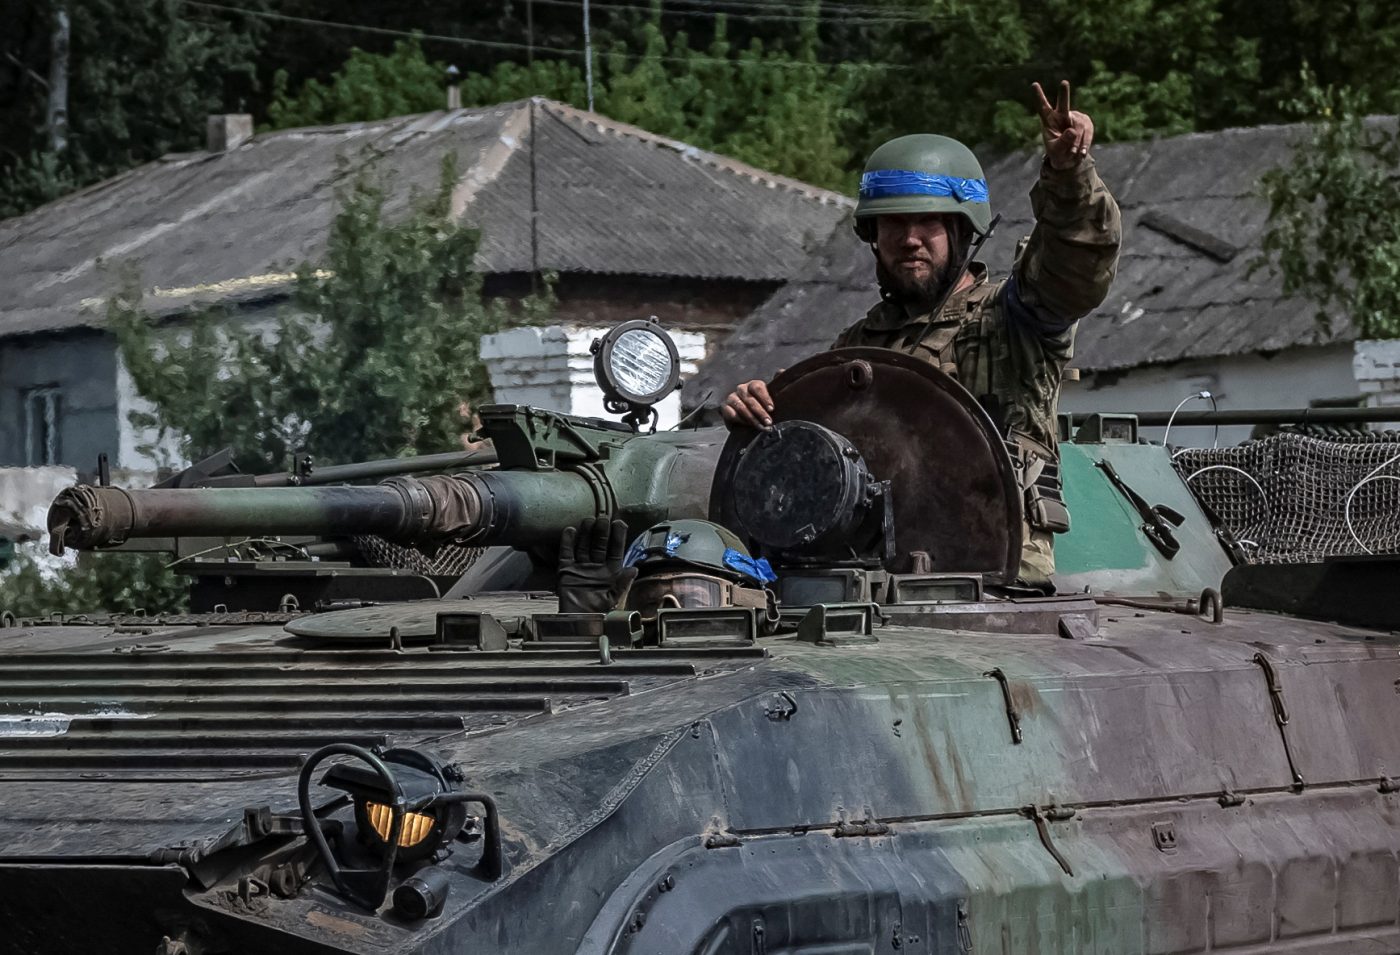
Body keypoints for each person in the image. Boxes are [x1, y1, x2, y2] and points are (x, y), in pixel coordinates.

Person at [719, 81, 1122, 590]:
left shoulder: (1017, 319)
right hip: (865, 589)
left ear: (962, 230)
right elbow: (806, 477)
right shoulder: (855, 351)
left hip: (994, 583)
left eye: (927, 222)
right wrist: (759, 416)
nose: (909, 239)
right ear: (873, 238)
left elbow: (1077, 265)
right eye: (892, 224)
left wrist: (1069, 177)